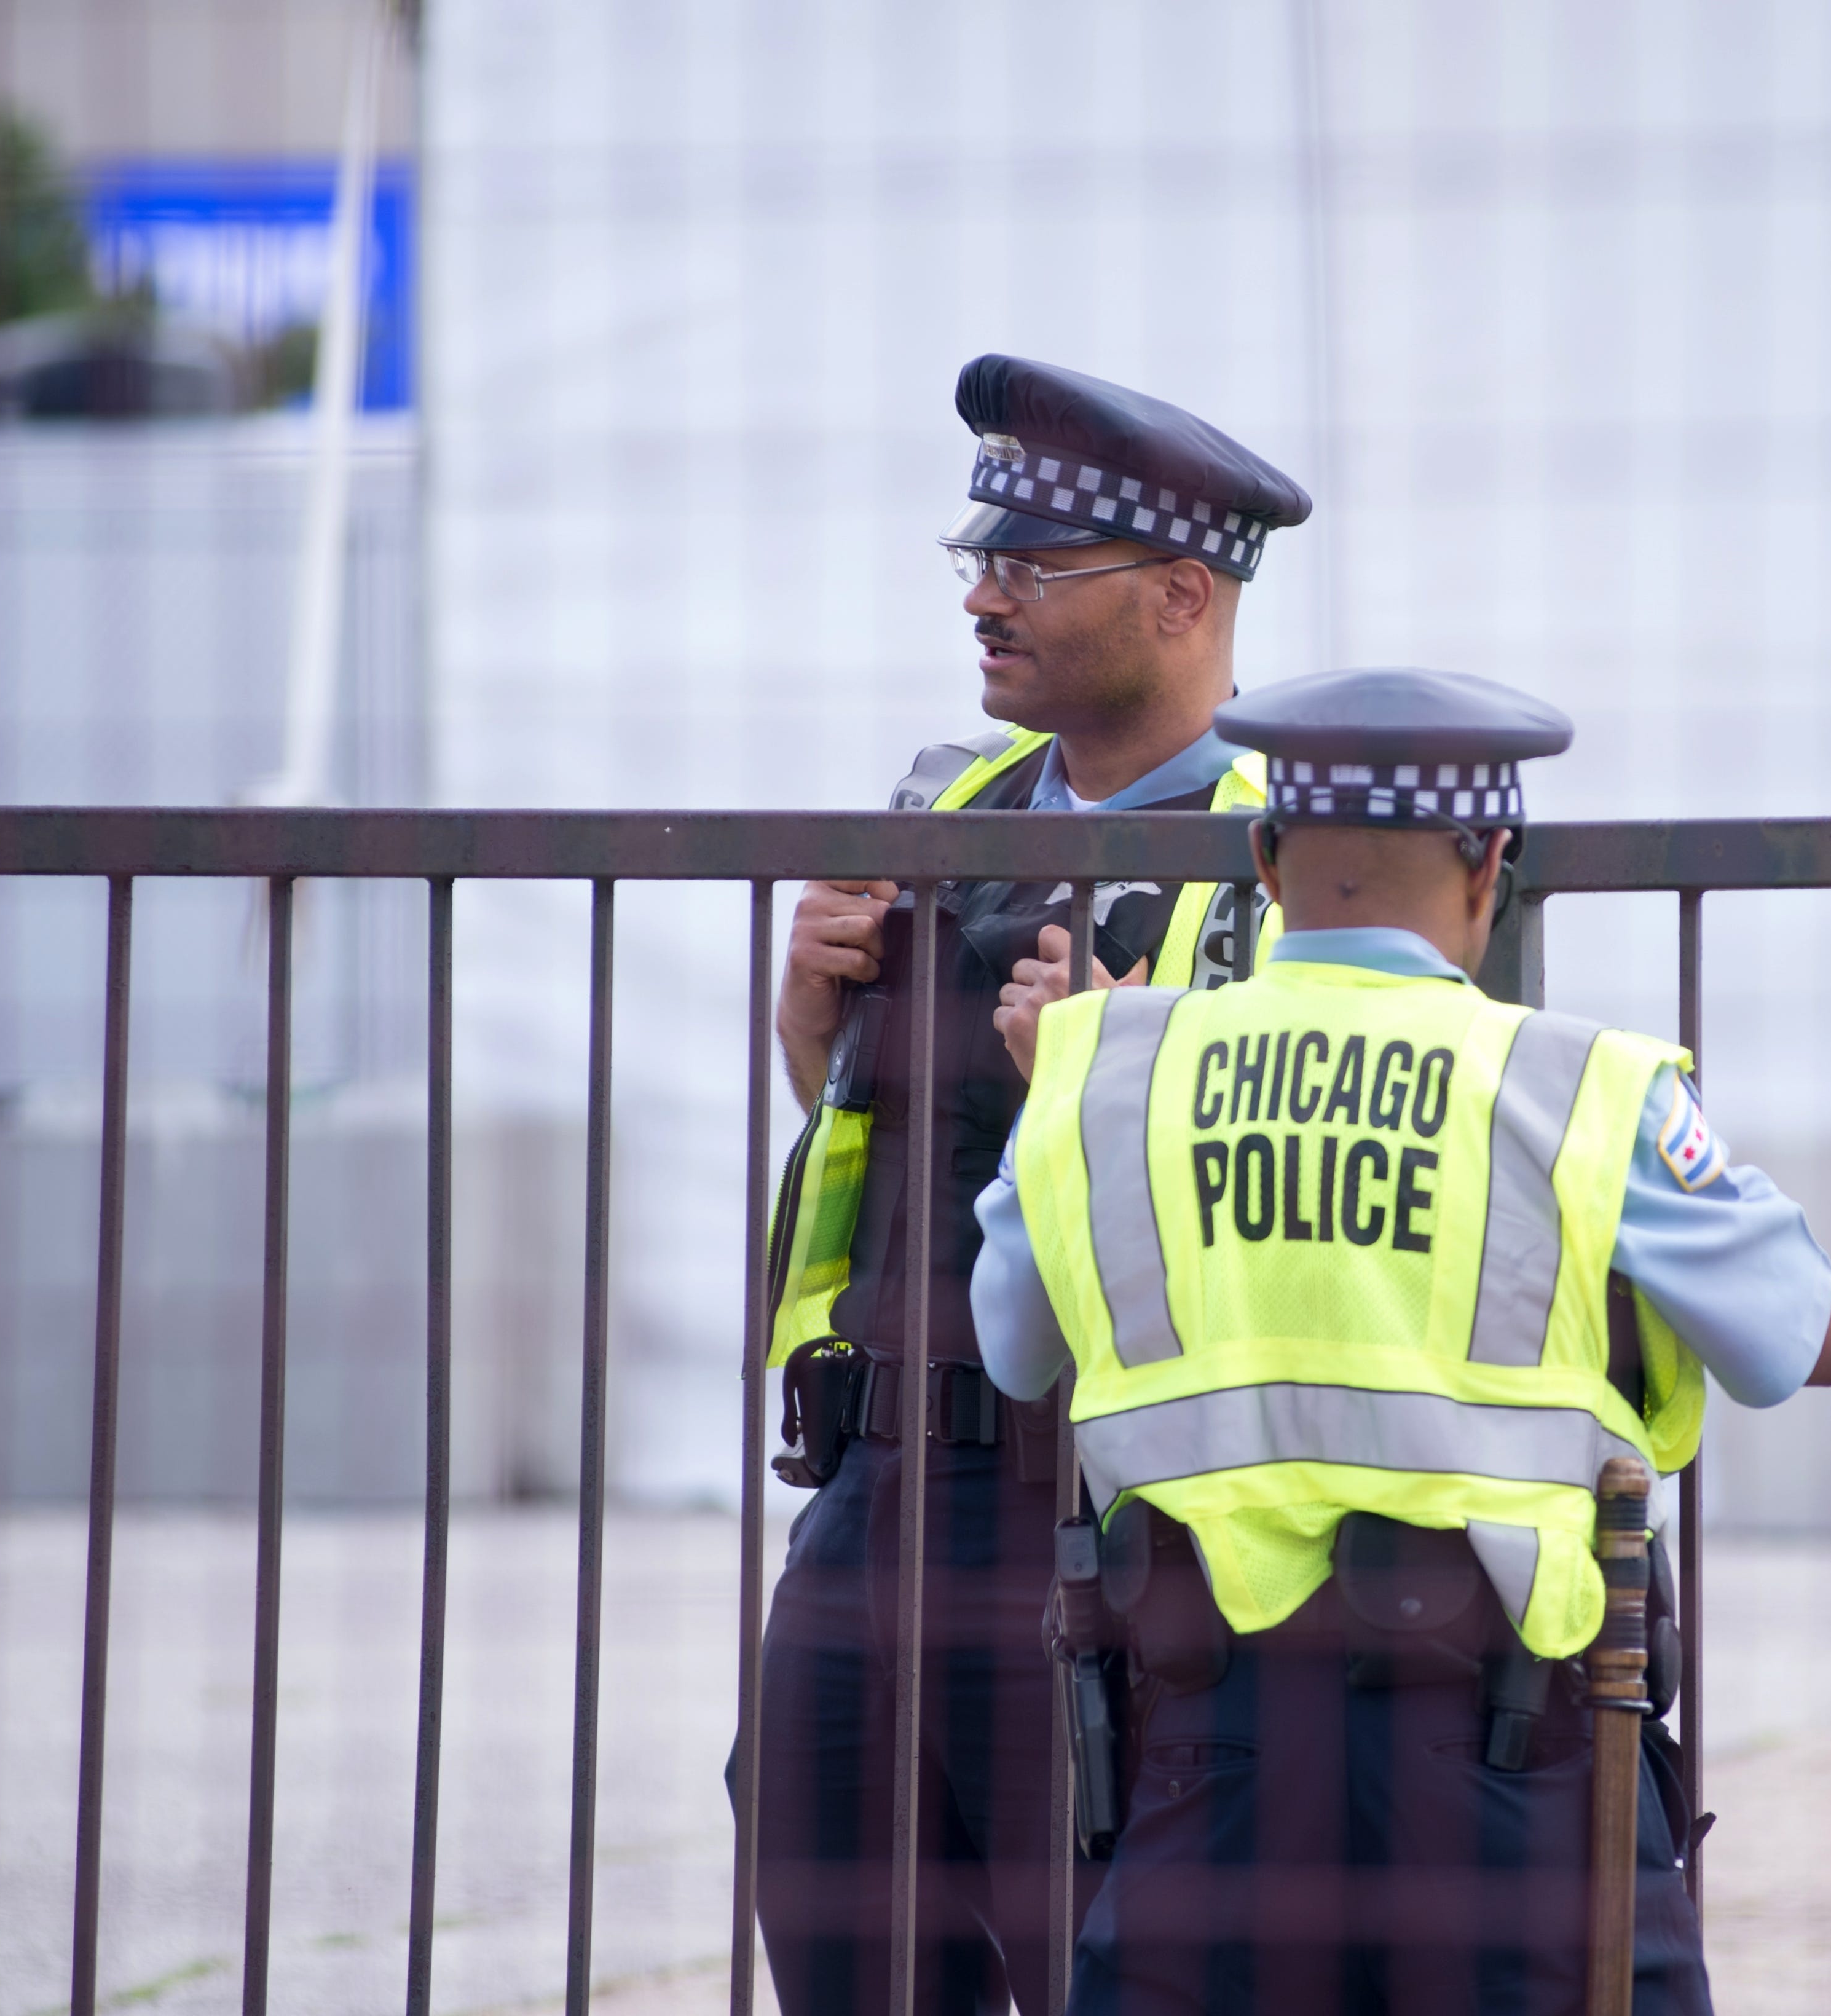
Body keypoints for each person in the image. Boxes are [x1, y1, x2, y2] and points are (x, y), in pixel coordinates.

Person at [970, 667, 1831, 2014]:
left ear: (1265, 855)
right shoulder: (1576, 1087)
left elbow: (1011, 1344)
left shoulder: (1110, 1072)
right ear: (1490, 863)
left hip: (1208, 1744)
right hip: (1503, 1762)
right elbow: (1807, 1340)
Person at [754, 354, 1310, 2015]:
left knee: (1088, 1940)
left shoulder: (1274, 856)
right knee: (833, 1914)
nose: (982, 600)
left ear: (1181, 597)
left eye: (1030, 568)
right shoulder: (952, 810)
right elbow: (872, 1133)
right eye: (975, 562)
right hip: (869, 1480)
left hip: (1094, 1503)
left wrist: (1116, 1080)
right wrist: (807, 1016)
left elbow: (1287, 1193)